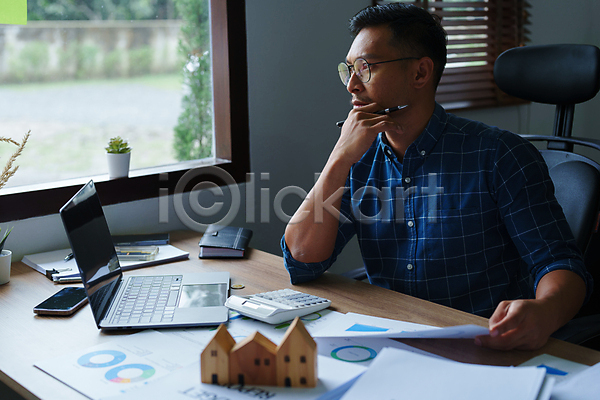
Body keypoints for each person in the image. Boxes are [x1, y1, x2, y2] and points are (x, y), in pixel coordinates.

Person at [281, 3, 592, 351]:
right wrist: (339, 158)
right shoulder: (358, 156)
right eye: (349, 69)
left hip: (480, 344)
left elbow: (559, 262)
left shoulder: (499, 154)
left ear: (420, 73)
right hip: (391, 342)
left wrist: (544, 311)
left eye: (366, 68)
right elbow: (302, 262)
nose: (352, 85)